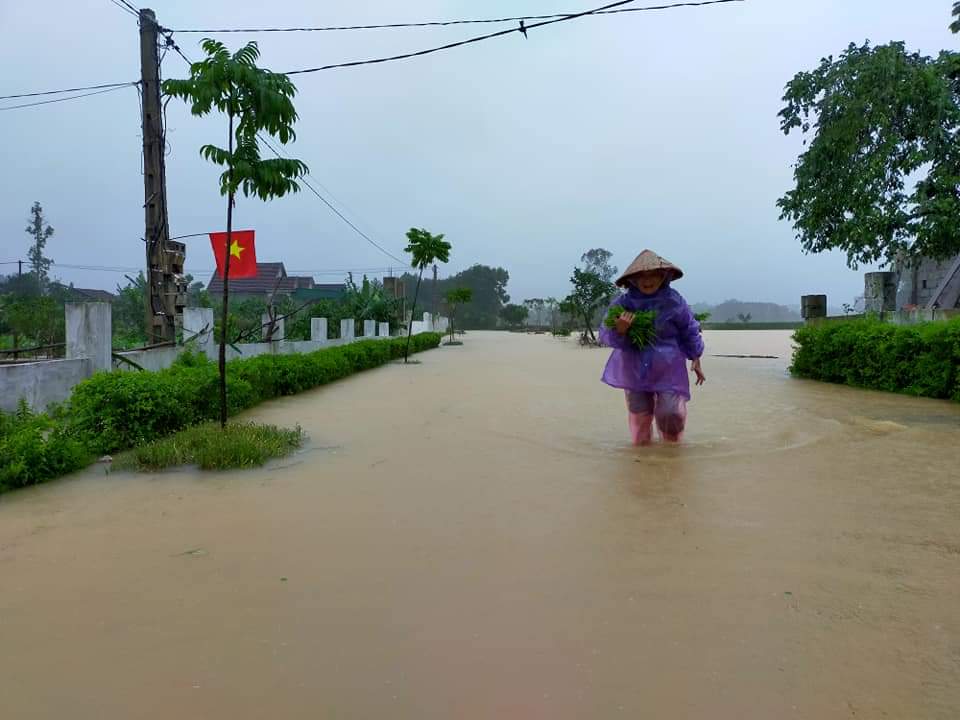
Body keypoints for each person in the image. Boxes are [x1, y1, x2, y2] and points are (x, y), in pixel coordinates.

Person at [599, 250, 706, 445]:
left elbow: (689, 328)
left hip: (668, 368)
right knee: (640, 414)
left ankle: (671, 453)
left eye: (653, 275)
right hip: (634, 368)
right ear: (632, 279)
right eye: (641, 276)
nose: (647, 280)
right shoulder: (624, 303)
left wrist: (696, 357)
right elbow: (607, 335)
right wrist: (620, 330)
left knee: (670, 413)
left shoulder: (674, 301)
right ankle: (642, 459)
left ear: (664, 276)